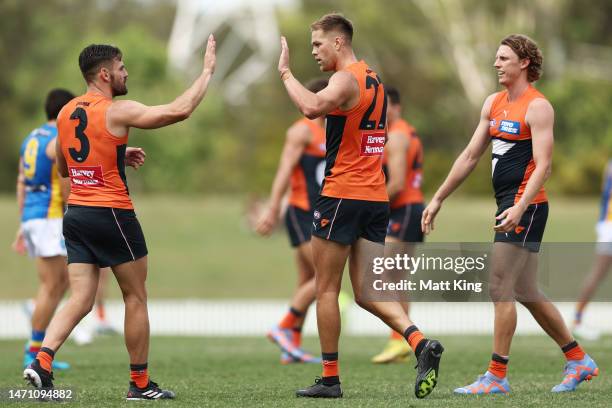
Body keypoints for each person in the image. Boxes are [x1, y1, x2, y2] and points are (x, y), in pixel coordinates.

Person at [23, 35, 216, 401]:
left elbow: (64, 165)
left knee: (80, 297)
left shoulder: (65, 112)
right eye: (122, 67)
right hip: (112, 213)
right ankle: (140, 385)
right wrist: (206, 72)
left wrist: (115, 154)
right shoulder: (115, 110)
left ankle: (42, 360)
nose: (126, 73)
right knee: (135, 297)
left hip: (76, 214)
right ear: (106, 74)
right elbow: (179, 110)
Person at [422, 34, 598, 394]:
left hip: (528, 207)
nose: (496, 63)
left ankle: (496, 376)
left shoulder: (538, 107)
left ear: (524, 64)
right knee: (526, 290)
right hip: (510, 207)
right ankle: (578, 359)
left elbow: (544, 166)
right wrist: (438, 197)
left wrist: (519, 207)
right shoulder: (493, 103)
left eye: (503, 58)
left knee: (499, 287)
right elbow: (470, 156)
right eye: (496, 58)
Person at [278, 13, 443, 399]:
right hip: (375, 199)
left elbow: (311, 107)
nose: (314, 53)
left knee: (325, 289)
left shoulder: (344, 78)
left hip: (341, 196)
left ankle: (330, 379)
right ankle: (421, 343)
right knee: (368, 292)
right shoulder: (375, 79)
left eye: (317, 44)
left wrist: (286, 74)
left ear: (338, 42)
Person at [257, 78, 328, 364]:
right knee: (323, 276)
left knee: (307, 279)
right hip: (301, 211)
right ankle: (284, 326)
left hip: (321, 212)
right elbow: (284, 170)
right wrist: (272, 210)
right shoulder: (301, 131)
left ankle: (292, 346)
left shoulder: (330, 129)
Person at [372, 87, 425, 364]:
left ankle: (400, 339)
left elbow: (397, 182)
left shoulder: (398, 135)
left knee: (382, 273)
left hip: (404, 209)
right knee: (396, 278)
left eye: (386, 107)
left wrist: (369, 201)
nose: (382, 113)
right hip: (405, 210)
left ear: (397, 107)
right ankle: (402, 341)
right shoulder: (393, 133)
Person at [572, 159, 612, 340]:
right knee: (597, 273)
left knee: (597, 273)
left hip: (607, 225)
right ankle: (577, 321)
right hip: (610, 227)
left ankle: (577, 320)